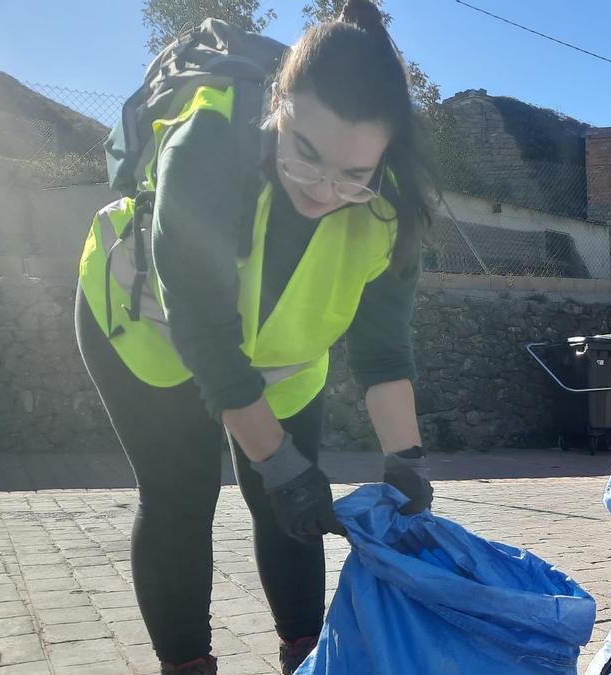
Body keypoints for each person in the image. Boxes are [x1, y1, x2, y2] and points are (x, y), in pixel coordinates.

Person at [74, 2, 433, 673]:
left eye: (354, 174)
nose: (325, 188)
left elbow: (383, 350)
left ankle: (305, 656)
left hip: (282, 361)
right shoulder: (207, 145)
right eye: (305, 151)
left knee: (287, 509)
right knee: (183, 499)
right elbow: (207, 339)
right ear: (279, 102)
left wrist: (406, 463)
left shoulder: (392, 207)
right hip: (149, 335)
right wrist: (281, 464)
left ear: (386, 156)